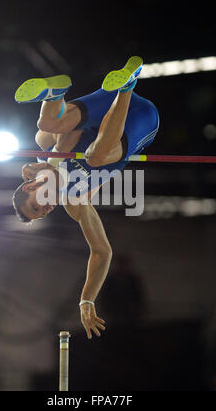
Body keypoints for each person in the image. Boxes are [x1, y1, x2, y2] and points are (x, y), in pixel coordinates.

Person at [12, 56, 160, 340]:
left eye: (37, 206)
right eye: (42, 214)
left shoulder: (45, 153)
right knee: (94, 156)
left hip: (103, 106)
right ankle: (127, 85)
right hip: (139, 121)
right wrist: (86, 300)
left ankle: (54, 93)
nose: (47, 209)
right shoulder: (74, 201)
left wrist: (52, 162)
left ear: (30, 187)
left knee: (45, 132)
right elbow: (102, 252)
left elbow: (71, 133)